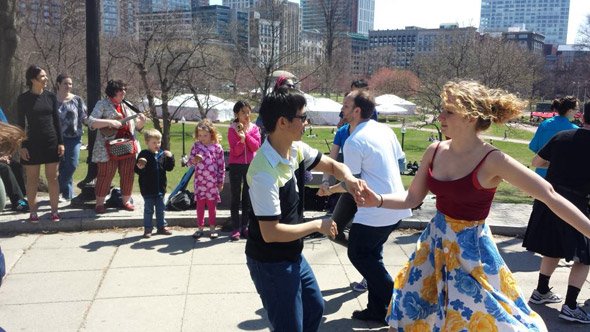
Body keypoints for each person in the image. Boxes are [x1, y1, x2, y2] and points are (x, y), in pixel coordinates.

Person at [358, 80, 590, 331]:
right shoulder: (434, 150)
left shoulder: (493, 160)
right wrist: (378, 200)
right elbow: (412, 199)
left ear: (470, 117)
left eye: (449, 111)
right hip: (433, 246)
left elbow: (550, 196)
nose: (440, 116)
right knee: (412, 311)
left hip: (472, 253)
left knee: (481, 321)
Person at [245, 86, 364, 332]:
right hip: (270, 262)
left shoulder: (295, 150)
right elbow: (271, 232)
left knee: (314, 308)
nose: (306, 122)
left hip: (292, 254)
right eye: (302, 117)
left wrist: (350, 180)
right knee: (290, 327)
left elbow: (331, 165)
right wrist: (318, 225)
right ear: (283, 122)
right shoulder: (263, 173)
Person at [320, 90, 411, 324]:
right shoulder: (385, 130)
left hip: (377, 210)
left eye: (346, 106)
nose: (343, 109)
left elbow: (353, 185)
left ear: (357, 110)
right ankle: (376, 310)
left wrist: (329, 190)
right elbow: (400, 162)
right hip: (397, 205)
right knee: (372, 256)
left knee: (358, 253)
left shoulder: (354, 140)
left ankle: (400, 301)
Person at [523, 102, 590, 324]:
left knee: (551, 247)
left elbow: (536, 161)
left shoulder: (563, 136)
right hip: (577, 204)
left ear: (582, 117)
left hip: (549, 198)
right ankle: (571, 306)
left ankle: (541, 291)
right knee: (584, 256)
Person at [87, 79, 146, 214]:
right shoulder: (102, 104)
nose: (124, 92)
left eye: (125, 89)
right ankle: (99, 204)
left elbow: (136, 127)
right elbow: (91, 122)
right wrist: (110, 122)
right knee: (105, 175)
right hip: (107, 148)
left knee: (128, 174)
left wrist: (141, 122)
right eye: (121, 90)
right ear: (113, 92)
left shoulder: (128, 105)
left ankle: (126, 201)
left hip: (127, 146)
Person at [17, 65, 64, 223]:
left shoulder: (51, 97)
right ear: (32, 80)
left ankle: (54, 212)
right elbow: (20, 125)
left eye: (45, 76)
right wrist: (22, 146)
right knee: (32, 179)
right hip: (31, 143)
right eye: (42, 77)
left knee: (53, 178)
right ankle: (33, 213)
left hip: (51, 141)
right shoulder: (23, 99)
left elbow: (57, 122)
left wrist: (61, 143)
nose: (46, 79)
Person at [227, 100, 261, 241]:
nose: (247, 115)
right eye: (243, 113)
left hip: (250, 166)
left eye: (248, 112)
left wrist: (246, 136)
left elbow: (255, 147)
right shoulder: (232, 129)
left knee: (247, 197)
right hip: (236, 165)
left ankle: (245, 226)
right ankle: (235, 227)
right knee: (236, 197)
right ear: (237, 114)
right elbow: (235, 152)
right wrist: (241, 141)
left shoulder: (254, 128)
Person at [187, 119, 225, 239]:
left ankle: (212, 228)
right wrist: (194, 160)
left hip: (212, 183)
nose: (202, 137)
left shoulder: (217, 147)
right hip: (200, 182)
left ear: (211, 134)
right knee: (200, 205)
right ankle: (200, 228)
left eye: (205, 135)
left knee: (212, 206)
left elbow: (221, 166)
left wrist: (221, 181)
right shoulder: (196, 146)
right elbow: (189, 163)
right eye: (200, 135)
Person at [135, 129, 175, 238]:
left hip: (160, 189)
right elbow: (137, 170)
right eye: (154, 142)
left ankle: (161, 226)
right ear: (147, 142)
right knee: (148, 210)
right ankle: (148, 229)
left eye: (159, 142)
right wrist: (140, 167)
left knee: (161, 209)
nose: (157, 145)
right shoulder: (144, 154)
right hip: (147, 188)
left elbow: (169, 168)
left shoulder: (162, 154)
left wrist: (170, 157)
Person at [55, 74, 87, 201]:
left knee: (72, 165)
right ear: (58, 84)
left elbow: (84, 117)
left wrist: (95, 122)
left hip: (74, 137)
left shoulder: (77, 100)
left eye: (70, 84)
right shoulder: (52, 100)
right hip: (57, 138)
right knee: (63, 166)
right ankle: (67, 195)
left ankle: (56, 189)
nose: (68, 86)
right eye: (65, 83)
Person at [529, 97, 578, 178]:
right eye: (576, 109)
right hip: (563, 176)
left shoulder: (544, 124)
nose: (577, 111)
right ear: (570, 110)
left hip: (541, 174)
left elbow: (534, 147)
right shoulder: (575, 130)